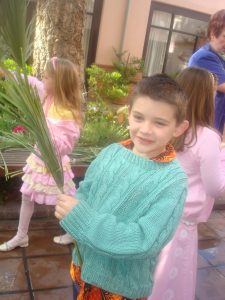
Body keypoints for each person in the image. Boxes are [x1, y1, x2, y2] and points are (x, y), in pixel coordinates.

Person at [54, 74, 189, 300]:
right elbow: (86, 192)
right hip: (81, 270)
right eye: (138, 117)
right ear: (128, 115)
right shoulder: (111, 153)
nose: (145, 129)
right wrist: (71, 208)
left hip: (119, 289)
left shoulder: (172, 182)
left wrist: (82, 220)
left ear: (178, 128)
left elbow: (144, 241)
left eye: (159, 123)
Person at [148, 67, 225, 300]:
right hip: (181, 224)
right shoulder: (207, 137)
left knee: (149, 271)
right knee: (170, 280)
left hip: (155, 213)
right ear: (205, 97)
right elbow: (216, 187)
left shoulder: (167, 128)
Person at [0, 57, 82, 251]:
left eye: (47, 77)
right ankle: (21, 236)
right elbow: (30, 81)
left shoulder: (68, 113)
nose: (42, 80)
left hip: (54, 164)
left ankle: (73, 232)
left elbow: (65, 147)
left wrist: (44, 131)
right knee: (26, 195)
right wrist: (6, 73)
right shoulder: (47, 95)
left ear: (59, 82)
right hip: (38, 158)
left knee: (66, 197)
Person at [188, 9, 225, 134]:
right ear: (214, 33)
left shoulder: (217, 56)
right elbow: (223, 86)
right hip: (204, 123)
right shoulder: (205, 56)